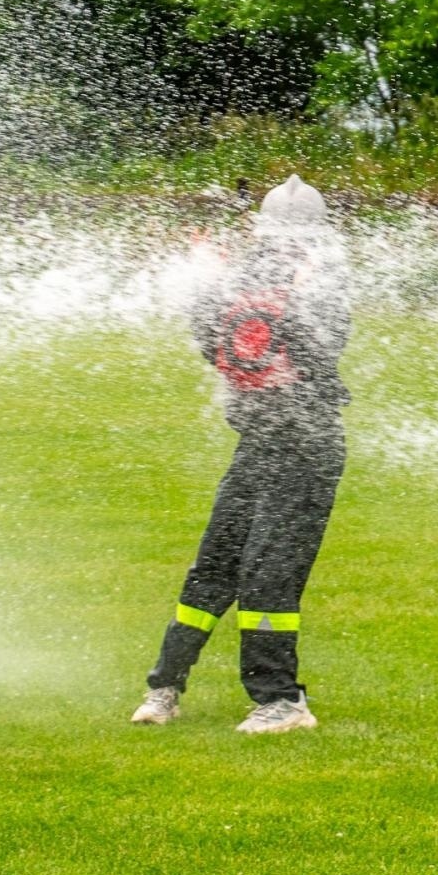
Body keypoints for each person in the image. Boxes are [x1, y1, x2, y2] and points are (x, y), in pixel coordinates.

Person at [132, 174, 350, 734]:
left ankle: (281, 702)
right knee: (214, 566)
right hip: (257, 447)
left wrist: (278, 327)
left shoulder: (324, 280)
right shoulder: (243, 274)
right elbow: (216, 340)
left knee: (267, 578)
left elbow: (321, 352)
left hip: (306, 450)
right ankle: (165, 687)